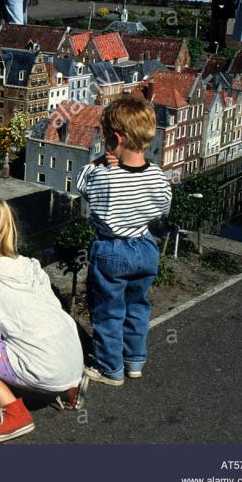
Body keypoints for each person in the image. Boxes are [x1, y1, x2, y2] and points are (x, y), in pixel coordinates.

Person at [0, 196, 86, 443]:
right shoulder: (32, 266)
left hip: (45, 368)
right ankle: (70, 390)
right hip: (74, 357)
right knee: (35, 331)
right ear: (13, 229)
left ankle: (15, 415)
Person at [76, 97, 172, 387]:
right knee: (137, 306)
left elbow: (82, 185)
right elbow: (164, 207)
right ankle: (134, 361)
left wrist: (99, 162)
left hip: (112, 249)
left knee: (108, 311)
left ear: (116, 138)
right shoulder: (157, 176)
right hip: (145, 246)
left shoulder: (105, 177)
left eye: (105, 137)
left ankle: (110, 368)